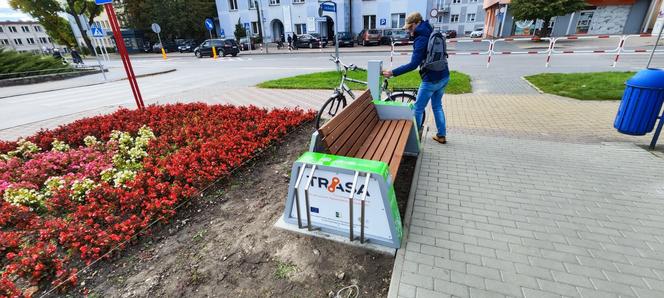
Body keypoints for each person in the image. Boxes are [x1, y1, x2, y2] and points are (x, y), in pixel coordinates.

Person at [382, 12, 450, 144]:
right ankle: (441, 135)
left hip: (430, 79)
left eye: (410, 27)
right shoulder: (431, 30)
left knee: (418, 108)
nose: (409, 31)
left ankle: (414, 139)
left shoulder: (421, 39)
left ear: (417, 23)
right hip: (444, 75)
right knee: (437, 106)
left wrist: (393, 72)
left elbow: (413, 64)